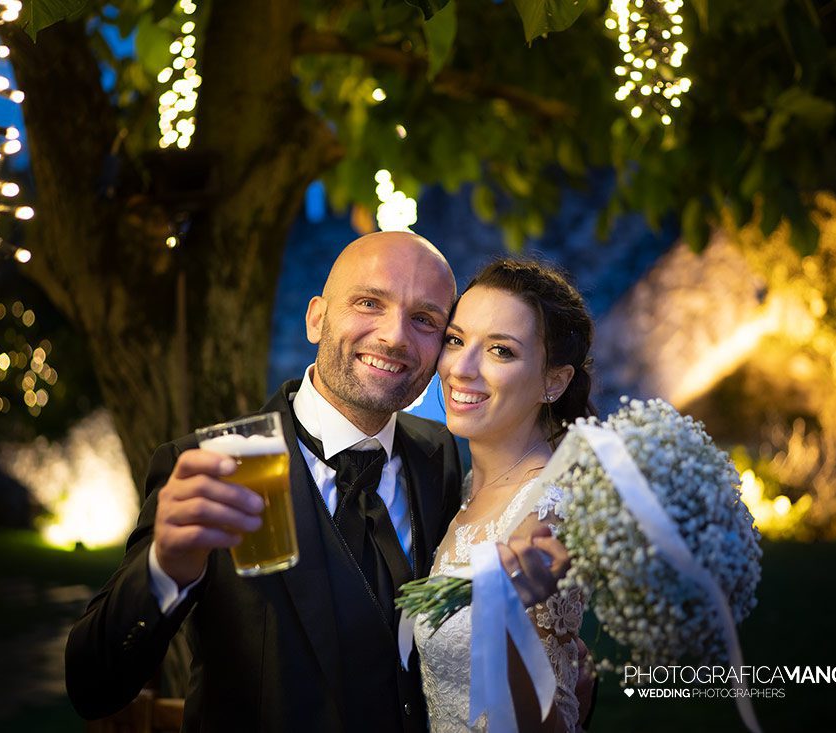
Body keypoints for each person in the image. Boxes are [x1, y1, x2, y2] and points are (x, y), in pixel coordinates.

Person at [65, 232, 571, 732]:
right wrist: (164, 569)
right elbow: (92, 686)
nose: (395, 336)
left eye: (424, 320)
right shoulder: (218, 466)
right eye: (370, 302)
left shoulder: (435, 455)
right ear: (316, 319)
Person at [415, 258, 598, 731]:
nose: (462, 368)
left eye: (501, 351)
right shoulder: (460, 483)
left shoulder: (550, 512)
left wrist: (509, 622)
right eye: (455, 340)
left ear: (553, 381)